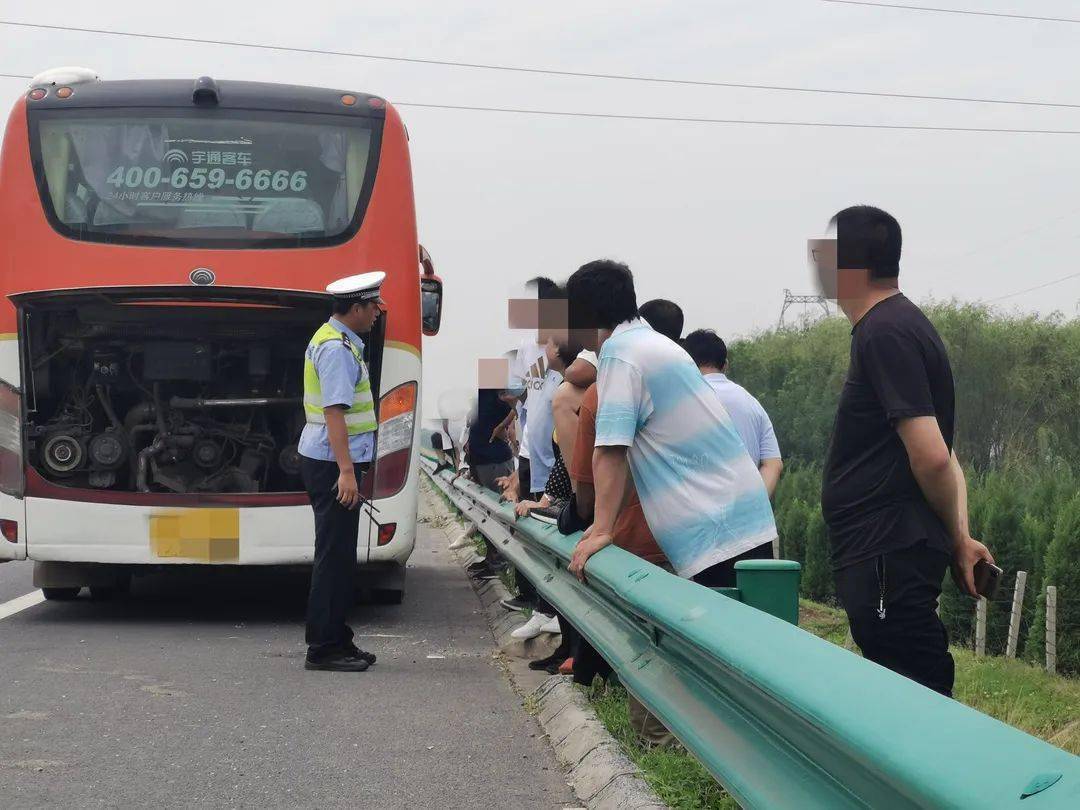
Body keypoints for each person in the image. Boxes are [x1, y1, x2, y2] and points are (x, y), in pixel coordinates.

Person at [813, 205, 993, 697]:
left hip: (886, 551)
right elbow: (944, 452)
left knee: (915, 695)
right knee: (909, 688)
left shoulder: (885, 331)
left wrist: (957, 536)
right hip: (888, 550)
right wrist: (959, 535)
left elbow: (933, 456)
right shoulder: (899, 324)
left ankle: (951, 773)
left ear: (847, 265)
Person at [564, 260, 776, 587]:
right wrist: (604, 521)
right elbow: (636, 459)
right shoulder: (654, 344)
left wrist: (604, 530)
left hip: (715, 532)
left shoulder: (621, 353)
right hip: (739, 519)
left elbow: (611, 452)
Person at [298, 271, 384, 673]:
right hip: (333, 463)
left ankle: (337, 637)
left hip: (333, 460)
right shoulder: (335, 348)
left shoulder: (341, 342)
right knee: (333, 557)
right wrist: (347, 471)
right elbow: (335, 412)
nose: (377, 313)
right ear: (355, 308)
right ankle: (323, 648)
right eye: (373, 306)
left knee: (340, 556)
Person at [683, 329, 784, 498]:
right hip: (749, 518)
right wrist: (757, 504)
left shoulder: (680, 402)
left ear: (686, 363)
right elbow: (773, 464)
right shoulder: (752, 404)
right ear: (725, 364)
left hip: (697, 513)